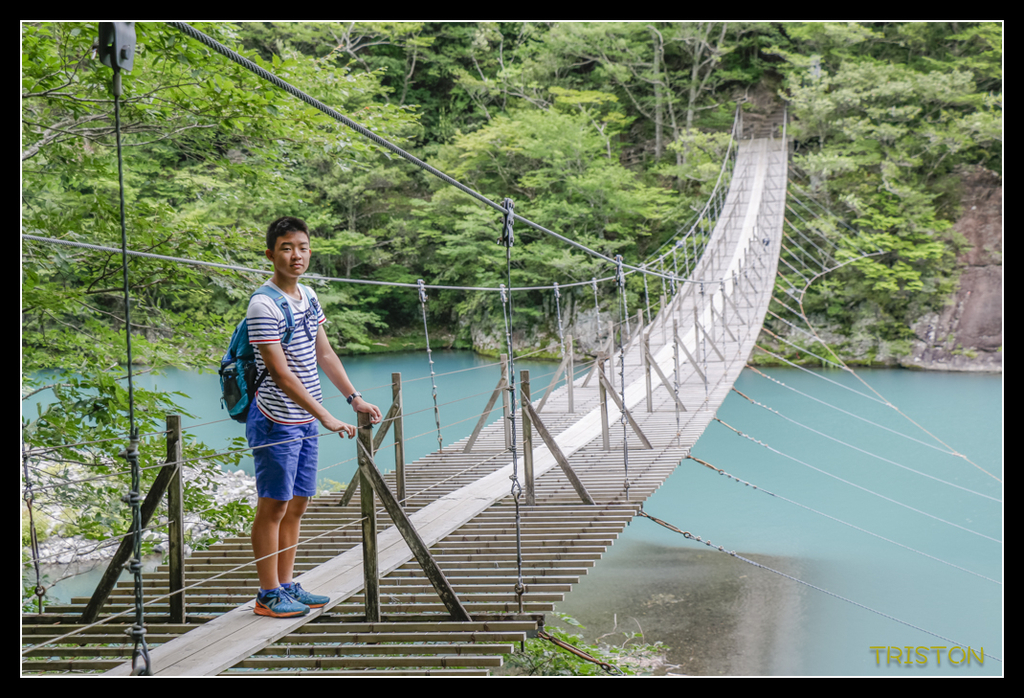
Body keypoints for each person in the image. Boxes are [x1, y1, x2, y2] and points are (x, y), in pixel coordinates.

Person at [246, 216, 382, 618]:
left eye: (302, 248)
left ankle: (286, 585)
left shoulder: (308, 296)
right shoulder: (263, 304)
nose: (296, 255)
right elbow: (281, 375)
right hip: (276, 418)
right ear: (271, 254)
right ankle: (267, 594)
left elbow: (324, 354)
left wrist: (352, 398)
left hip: (304, 418)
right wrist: (326, 416)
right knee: (273, 505)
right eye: (287, 248)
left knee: (298, 504)